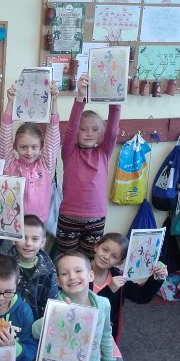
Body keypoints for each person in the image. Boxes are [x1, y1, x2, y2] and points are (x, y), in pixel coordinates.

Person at [57, 74, 121, 258]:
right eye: (83, 129)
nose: (89, 133)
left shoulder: (103, 152)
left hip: (96, 218)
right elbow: (71, 128)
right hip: (69, 217)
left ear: (101, 133)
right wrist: (80, 97)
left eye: (94, 129)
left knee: (88, 262)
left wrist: (115, 100)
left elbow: (113, 131)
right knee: (67, 261)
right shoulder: (69, 151)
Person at [91, 232, 168, 361]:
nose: (106, 256)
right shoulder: (81, 272)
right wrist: (109, 290)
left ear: (119, 262)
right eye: (104, 250)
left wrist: (157, 278)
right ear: (96, 247)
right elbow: (86, 310)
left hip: (103, 334)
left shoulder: (118, 277)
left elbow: (141, 296)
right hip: (82, 328)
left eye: (114, 256)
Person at [0, 82, 60, 223]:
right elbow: (4, 138)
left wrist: (54, 103)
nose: (29, 152)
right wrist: (10, 102)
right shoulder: (9, 165)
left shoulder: (45, 165)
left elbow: (53, 138)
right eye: (24, 147)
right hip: (13, 223)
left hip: (38, 224)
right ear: (15, 146)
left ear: (41, 146)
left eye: (34, 147)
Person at [0, 214, 58, 319]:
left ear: (42, 242)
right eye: (23, 238)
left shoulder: (49, 271)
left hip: (33, 325)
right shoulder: (3, 260)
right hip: (2, 320)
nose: (28, 243)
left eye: (35, 239)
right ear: (14, 239)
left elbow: (50, 305)